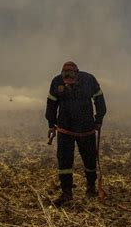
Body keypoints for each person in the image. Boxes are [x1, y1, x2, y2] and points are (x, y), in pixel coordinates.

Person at [45, 61, 107, 207]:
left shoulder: (89, 80)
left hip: (86, 129)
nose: (69, 83)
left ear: (77, 74)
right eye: (66, 79)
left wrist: (98, 120)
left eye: (71, 79)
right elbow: (51, 104)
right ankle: (67, 193)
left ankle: (91, 188)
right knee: (64, 161)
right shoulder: (56, 82)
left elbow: (100, 101)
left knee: (90, 159)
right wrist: (51, 123)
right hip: (65, 129)